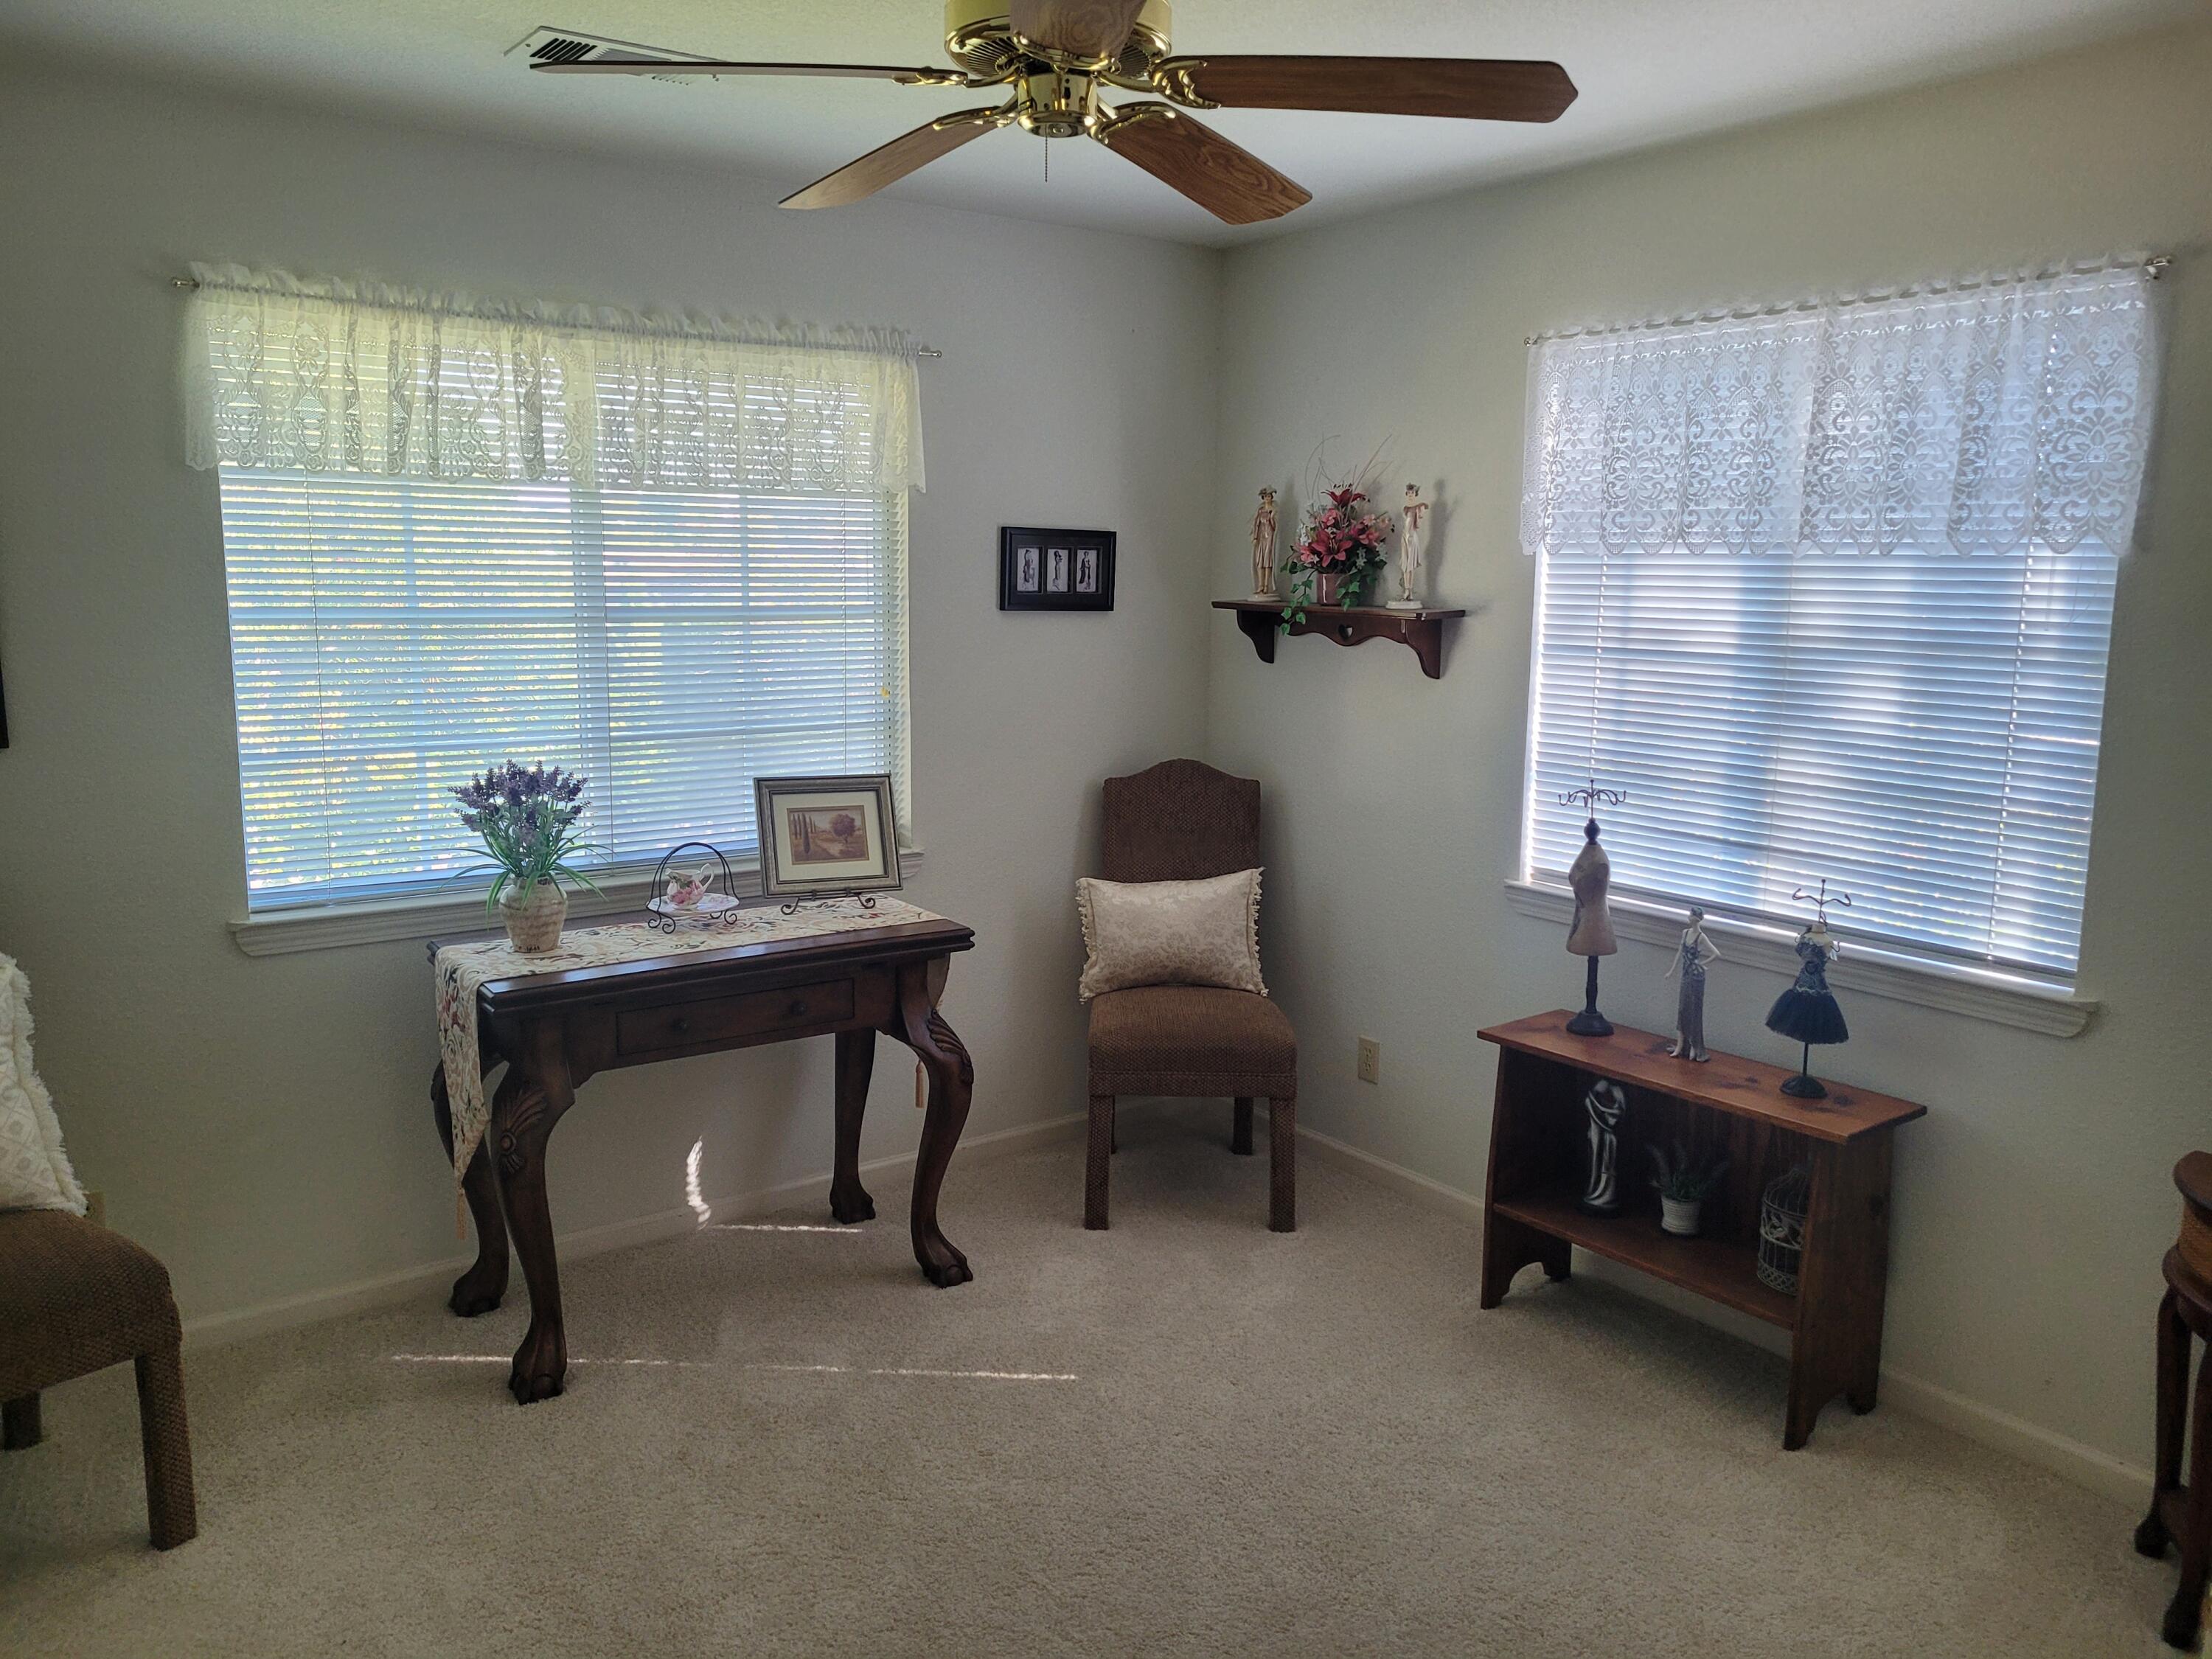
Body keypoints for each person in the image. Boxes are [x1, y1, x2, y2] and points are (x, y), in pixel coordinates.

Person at [1664, 906, 1721, 1061]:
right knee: (1683, 1009)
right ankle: (1680, 1046)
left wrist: (1701, 964)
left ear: (1696, 918)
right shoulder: (1685, 933)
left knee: (1694, 1011)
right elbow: (1679, 953)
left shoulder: (1701, 937)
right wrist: (1671, 970)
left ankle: (1694, 1047)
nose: (1688, 917)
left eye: (1691, 915)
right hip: (1685, 974)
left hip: (1696, 977)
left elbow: (1716, 953)